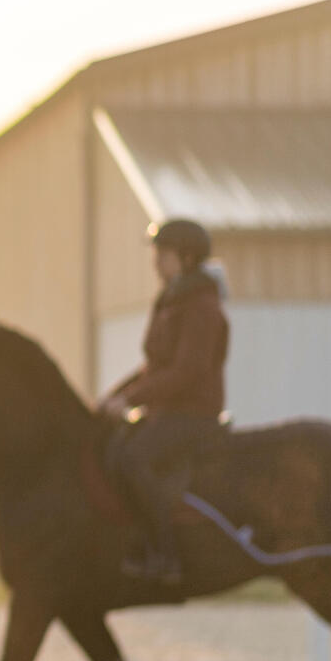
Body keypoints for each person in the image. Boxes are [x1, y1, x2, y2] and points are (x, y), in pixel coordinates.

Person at [99, 218, 230, 584]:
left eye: (163, 254)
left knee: (133, 457)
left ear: (186, 258)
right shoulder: (173, 300)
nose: (156, 261)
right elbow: (154, 366)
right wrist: (115, 396)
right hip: (167, 410)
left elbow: (186, 371)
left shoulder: (201, 307)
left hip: (193, 415)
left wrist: (133, 398)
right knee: (112, 448)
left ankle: (165, 552)